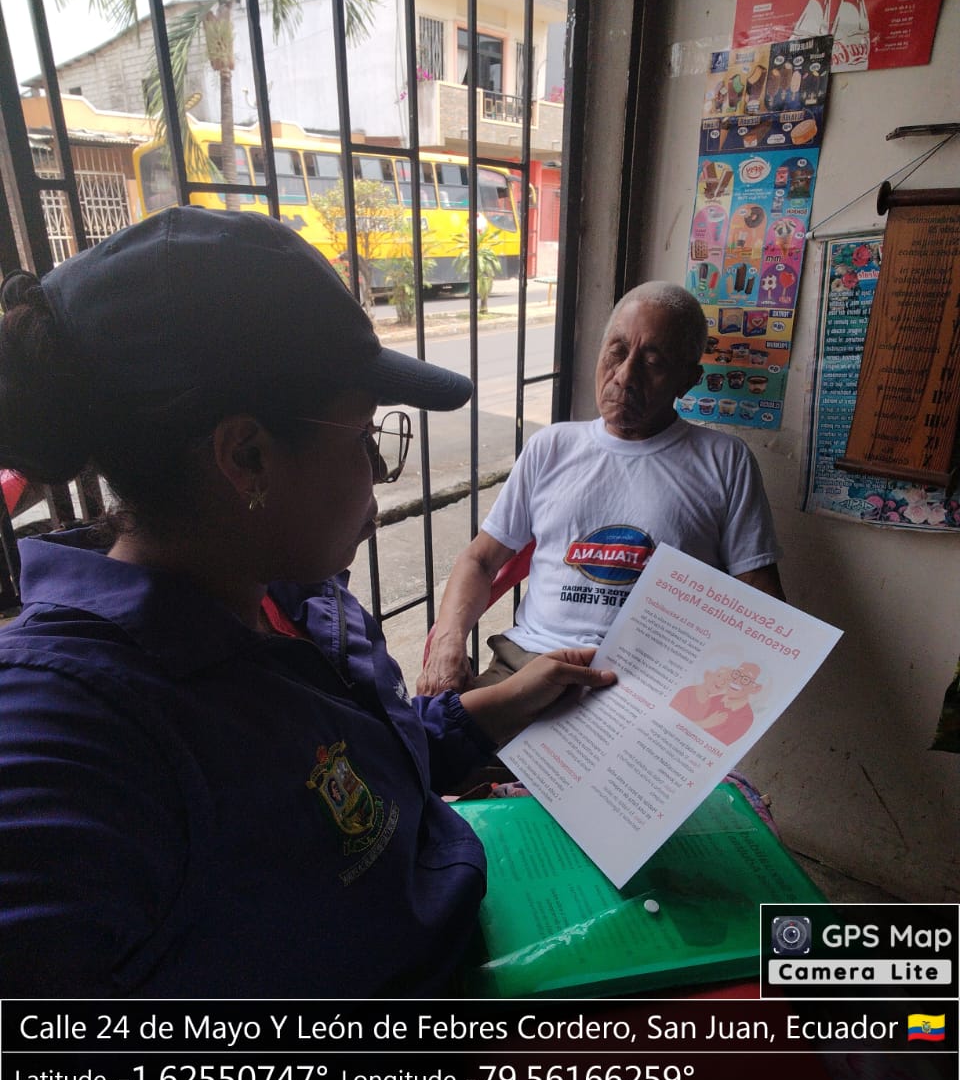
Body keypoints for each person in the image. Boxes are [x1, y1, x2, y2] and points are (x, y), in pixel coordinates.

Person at [0, 207, 616, 999]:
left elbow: (362, 766)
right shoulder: (79, 722)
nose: (377, 476)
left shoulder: (287, 596)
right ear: (248, 456)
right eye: (362, 436)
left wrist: (506, 701)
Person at [418, 281, 784, 696]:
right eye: (617, 351)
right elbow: (480, 560)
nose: (625, 376)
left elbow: (760, 602)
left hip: (649, 683)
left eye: (653, 362)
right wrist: (447, 644)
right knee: (434, 733)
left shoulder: (724, 461)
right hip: (528, 662)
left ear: (687, 380)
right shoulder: (551, 447)